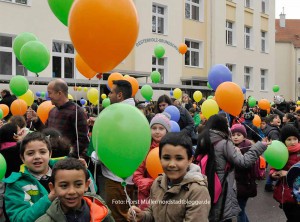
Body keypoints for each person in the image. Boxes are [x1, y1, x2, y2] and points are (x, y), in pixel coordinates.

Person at [195, 114, 268, 222]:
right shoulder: (224, 143)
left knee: (211, 214)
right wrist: (260, 146)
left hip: (205, 182)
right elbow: (244, 162)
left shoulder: (203, 140)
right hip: (222, 185)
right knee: (223, 215)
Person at [127, 132, 211, 222]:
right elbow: (152, 212)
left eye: (179, 158)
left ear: (190, 160)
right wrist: (142, 216)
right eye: (166, 158)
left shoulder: (197, 191)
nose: (171, 164)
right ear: (160, 159)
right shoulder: (158, 183)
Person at [96, 79, 135, 221]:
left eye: (111, 92)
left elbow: (114, 143)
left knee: (118, 216)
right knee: (128, 213)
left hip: (116, 177)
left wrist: (97, 156)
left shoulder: (118, 115)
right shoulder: (132, 113)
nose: (108, 95)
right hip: (128, 176)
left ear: (119, 96)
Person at [36, 158, 114, 222]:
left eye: (78, 185)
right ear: (53, 188)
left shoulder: (103, 213)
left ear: (86, 185)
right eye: (64, 186)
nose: (71, 191)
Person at [26, 79, 89, 158]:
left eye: (50, 93)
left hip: (66, 161)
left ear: (59, 93)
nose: (48, 96)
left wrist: (70, 157)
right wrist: (37, 121)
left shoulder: (77, 111)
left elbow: (83, 139)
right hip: (52, 158)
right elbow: (46, 132)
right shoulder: (52, 111)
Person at [3, 132, 58, 221]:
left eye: (42, 152)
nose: (37, 156)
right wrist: (49, 198)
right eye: (30, 153)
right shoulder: (16, 184)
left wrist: (84, 172)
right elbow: (19, 218)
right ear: (22, 158)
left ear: (50, 154)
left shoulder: (65, 171)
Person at [133, 112, 171, 210]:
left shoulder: (172, 149)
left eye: (161, 128)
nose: (157, 131)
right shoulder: (145, 150)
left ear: (167, 131)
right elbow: (137, 174)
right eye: (154, 128)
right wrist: (151, 184)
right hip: (147, 195)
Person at [270, 125, 300, 221]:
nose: (292, 142)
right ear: (283, 141)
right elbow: (274, 168)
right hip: (286, 194)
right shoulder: (280, 152)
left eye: (295, 139)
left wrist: (287, 173)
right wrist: (273, 174)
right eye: (289, 139)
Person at [230, 124, 257, 222]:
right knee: (240, 210)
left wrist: (239, 155)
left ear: (244, 136)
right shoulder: (231, 146)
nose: (235, 137)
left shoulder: (248, 147)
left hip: (244, 184)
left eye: (238, 134)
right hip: (235, 185)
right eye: (233, 135)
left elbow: (248, 166)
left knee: (239, 211)